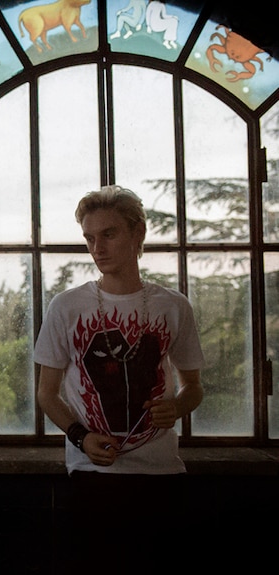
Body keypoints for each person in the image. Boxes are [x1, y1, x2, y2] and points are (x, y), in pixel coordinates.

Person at [34, 185, 204, 574]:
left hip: (160, 472)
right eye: (89, 238)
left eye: (108, 234)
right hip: (93, 473)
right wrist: (81, 437)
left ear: (138, 234)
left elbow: (193, 386)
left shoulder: (173, 306)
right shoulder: (67, 306)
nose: (97, 248)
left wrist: (177, 406)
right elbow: (47, 394)